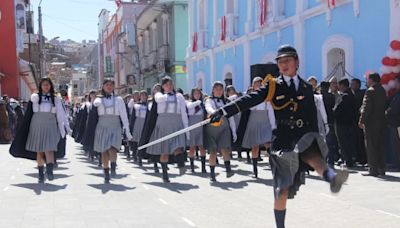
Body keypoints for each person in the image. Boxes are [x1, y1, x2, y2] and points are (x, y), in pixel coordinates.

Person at [209, 45, 348, 228]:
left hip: (303, 133)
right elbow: (250, 99)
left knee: (314, 155)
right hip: (282, 137)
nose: (283, 65)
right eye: (280, 62)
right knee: (282, 189)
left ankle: (332, 178)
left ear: (296, 62)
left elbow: (311, 115)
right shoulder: (273, 85)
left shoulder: (306, 87)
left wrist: (316, 136)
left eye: (287, 60)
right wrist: (224, 111)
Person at [145, 76, 188, 182]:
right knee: (164, 151)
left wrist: (186, 128)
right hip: (163, 124)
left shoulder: (179, 96)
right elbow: (158, 99)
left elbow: (183, 112)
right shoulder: (159, 95)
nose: (169, 86)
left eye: (170, 84)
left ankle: (181, 164)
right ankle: (165, 174)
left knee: (178, 147)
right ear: (163, 86)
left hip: (176, 123)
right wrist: (164, 94)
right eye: (166, 84)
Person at [25, 78, 66, 183]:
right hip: (37, 125)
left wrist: (64, 128)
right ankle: (40, 174)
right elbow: (28, 114)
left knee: (49, 149)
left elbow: (61, 114)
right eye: (44, 85)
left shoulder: (56, 99)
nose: (46, 87)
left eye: (48, 84)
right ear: (40, 86)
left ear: (51, 86)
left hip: (50, 125)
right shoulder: (35, 97)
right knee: (39, 151)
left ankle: (50, 171)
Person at [93, 80, 132, 183]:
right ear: (103, 86)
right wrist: (95, 101)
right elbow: (93, 114)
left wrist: (127, 130)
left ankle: (113, 166)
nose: (109, 87)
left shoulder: (118, 100)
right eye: (107, 85)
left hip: (115, 126)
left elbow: (124, 115)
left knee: (113, 148)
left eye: (111, 85)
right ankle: (106, 173)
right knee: (104, 151)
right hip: (102, 127)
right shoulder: (99, 100)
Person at [241, 77, 276, 178]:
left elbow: (271, 113)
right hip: (254, 122)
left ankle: (273, 165)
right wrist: (252, 98)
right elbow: (249, 108)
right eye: (256, 84)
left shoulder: (267, 98)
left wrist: (273, 126)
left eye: (260, 84)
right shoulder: (251, 97)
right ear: (253, 85)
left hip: (265, 122)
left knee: (268, 143)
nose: (258, 85)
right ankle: (255, 169)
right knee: (255, 146)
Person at [205, 81, 237, 182]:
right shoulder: (208, 100)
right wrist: (214, 113)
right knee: (213, 151)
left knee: (224, 149)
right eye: (217, 89)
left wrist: (234, 131)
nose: (219, 91)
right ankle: (212, 173)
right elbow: (208, 108)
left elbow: (230, 117)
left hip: (224, 127)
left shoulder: (226, 101)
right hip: (212, 128)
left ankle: (228, 170)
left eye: (221, 89)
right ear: (213, 90)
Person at [359, 73, 387, 176]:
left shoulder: (370, 91)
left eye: (367, 79)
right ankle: (381, 168)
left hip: (371, 123)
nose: (367, 81)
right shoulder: (382, 90)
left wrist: (361, 120)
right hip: (381, 122)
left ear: (371, 80)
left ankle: (373, 169)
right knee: (380, 145)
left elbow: (366, 107)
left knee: (371, 146)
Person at [334, 78, 357, 167]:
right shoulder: (352, 95)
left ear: (342, 85)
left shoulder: (344, 96)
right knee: (349, 141)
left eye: (339, 85)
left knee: (343, 142)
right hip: (350, 122)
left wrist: (334, 110)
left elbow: (337, 110)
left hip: (341, 123)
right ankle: (348, 159)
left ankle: (347, 160)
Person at [186, 88, 207, 173]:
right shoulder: (189, 103)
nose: (197, 95)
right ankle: (192, 166)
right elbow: (188, 110)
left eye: (198, 93)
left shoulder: (203, 105)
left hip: (201, 127)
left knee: (202, 147)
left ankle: (203, 167)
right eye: (195, 93)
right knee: (192, 147)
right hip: (192, 127)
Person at [320, 81, 339, 168]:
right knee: (329, 143)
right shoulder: (331, 96)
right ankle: (330, 161)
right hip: (329, 121)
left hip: (320, 121)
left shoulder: (318, 97)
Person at [128, 90, 149, 164]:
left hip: (145, 123)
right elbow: (133, 117)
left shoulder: (149, 106)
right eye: (142, 95)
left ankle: (140, 156)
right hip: (137, 123)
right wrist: (131, 126)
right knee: (135, 140)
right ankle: (135, 154)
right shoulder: (136, 105)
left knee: (142, 140)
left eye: (144, 95)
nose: (143, 97)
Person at [350, 78, 367, 165]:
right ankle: (358, 157)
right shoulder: (352, 94)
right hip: (354, 121)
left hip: (360, 120)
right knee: (356, 140)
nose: (351, 86)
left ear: (358, 85)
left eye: (353, 84)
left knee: (361, 140)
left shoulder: (361, 93)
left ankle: (363, 158)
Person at [385, 75, 400, 169]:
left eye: (397, 82)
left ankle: (396, 163)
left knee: (396, 144)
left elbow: (394, 108)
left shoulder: (398, 95)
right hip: (396, 122)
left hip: (396, 123)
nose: (395, 84)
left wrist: (386, 112)